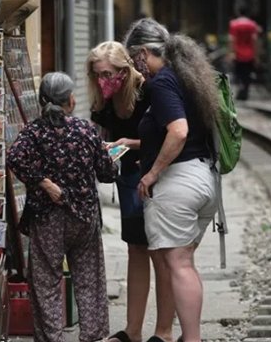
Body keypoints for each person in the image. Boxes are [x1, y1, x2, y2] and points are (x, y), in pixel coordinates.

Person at [123, 18, 220, 342]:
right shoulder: (187, 77)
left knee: (178, 265)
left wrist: (152, 173)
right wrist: (144, 148)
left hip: (178, 184)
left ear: (142, 53)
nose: (136, 69)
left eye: (133, 59)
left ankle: (192, 339)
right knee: (184, 264)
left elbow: (178, 130)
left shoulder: (162, 81)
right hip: (204, 179)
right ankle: (188, 336)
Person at [6, 72, 118, 342]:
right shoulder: (85, 130)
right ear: (70, 100)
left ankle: (52, 338)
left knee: (45, 280)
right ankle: (91, 336)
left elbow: (15, 158)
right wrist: (113, 159)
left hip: (48, 218)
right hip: (83, 217)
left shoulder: (33, 132)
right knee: (89, 278)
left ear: (43, 100)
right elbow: (106, 173)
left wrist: (44, 183)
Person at [86, 41, 168, 342]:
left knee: (161, 251)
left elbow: (169, 140)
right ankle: (132, 331)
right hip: (129, 176)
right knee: (135, 247)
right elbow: (102, 134)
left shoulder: (148, 91)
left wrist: (129, 144)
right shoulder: (104, 99)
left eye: (108, 74)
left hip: (156, 174)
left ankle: (164, 332)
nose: (102, 80)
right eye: (97, 74)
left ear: (124, 70)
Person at [229, 6, 260, 100]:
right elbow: (255, 40)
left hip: (238, 53)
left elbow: (231, 39)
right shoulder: (252, 25)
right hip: (249, 53)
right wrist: (256, 55)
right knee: (247, 73)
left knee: (238, 72)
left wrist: (231, 53)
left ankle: (240, 89)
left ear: (239, 13)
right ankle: (245, 90)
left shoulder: (234, 24)